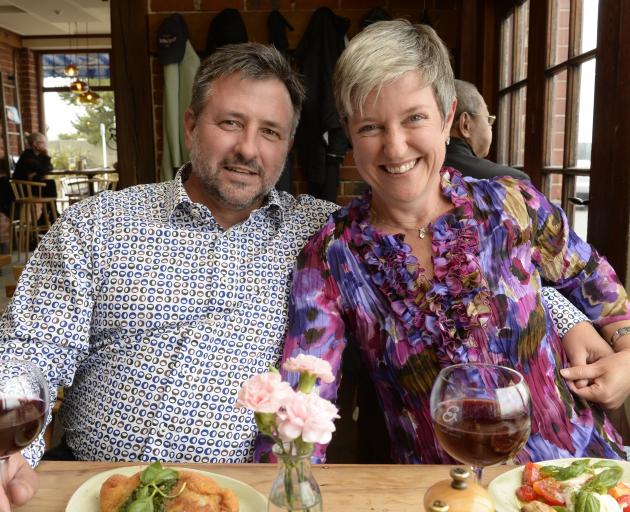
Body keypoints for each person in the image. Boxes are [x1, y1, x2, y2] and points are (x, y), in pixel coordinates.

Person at [0, 43, 339, 510]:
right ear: (190, 124)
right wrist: (8, 452)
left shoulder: (324, 233)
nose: (248, 149)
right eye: (230, 123)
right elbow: (29, 352)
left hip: (246, 496)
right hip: (95, 488)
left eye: (271, 132)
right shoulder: (98, 225)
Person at [276, 20, 630, 465]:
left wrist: (626, 357)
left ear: (447, 119)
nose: (396, 146)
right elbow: (307, 394)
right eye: (371, 127)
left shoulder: (512, 205)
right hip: (442, 490)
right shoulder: (331, 257)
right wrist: (290, 483)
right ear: (349, 133)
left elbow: (596, 283)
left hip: (574, 467)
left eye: (415, 118)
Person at [444, 79, 529, 181]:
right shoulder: (512, 181)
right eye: (488, 119)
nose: (490, 126)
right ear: (466, 124)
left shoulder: (424, 172)